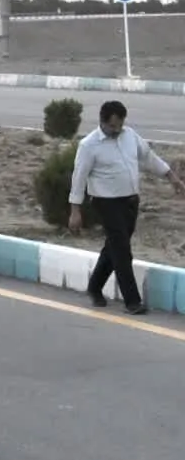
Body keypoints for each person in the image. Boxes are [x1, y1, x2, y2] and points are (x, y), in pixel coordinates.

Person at [69, 100, 184, 314]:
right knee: (122, 250)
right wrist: (75, 211)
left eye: (119, 125)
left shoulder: (129, 136)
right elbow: (79, 177)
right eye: (112, 126)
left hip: (130, 201)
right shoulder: (89, 145)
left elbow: (148, 157)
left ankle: (94, 287)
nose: (116, 130)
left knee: (114, 246)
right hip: (105, 202)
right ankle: (132, 301)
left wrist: (172, 177)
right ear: (102, 121)